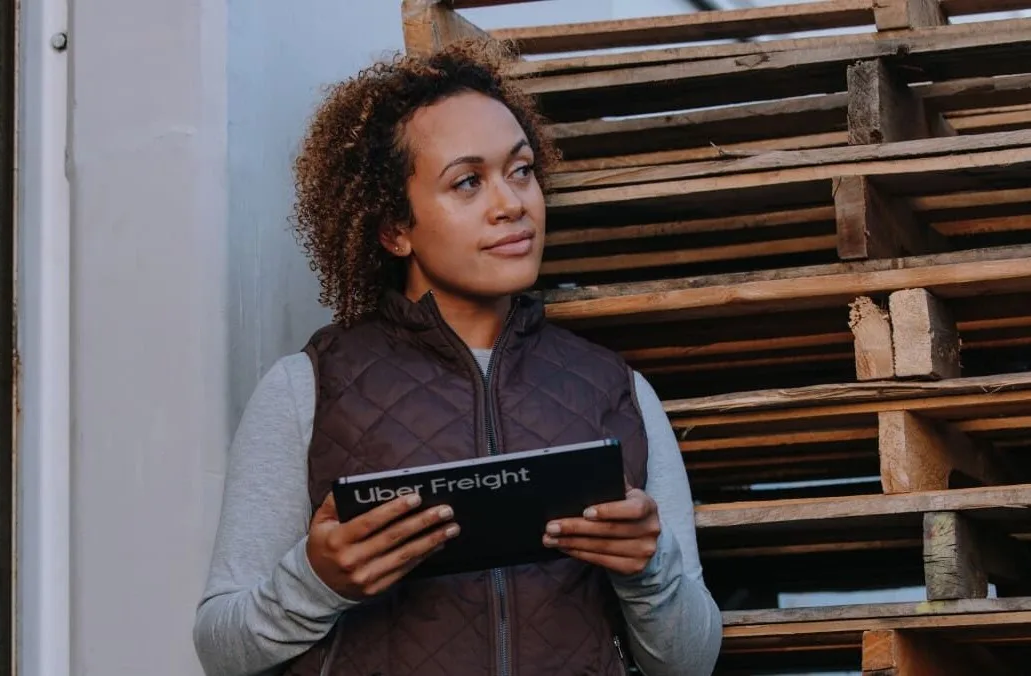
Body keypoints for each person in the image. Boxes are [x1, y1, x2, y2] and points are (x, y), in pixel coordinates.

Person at [193, 40, 722, 676]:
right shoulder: (307, 388)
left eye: (521, 170)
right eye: (467, 182)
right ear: (395, 228)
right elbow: (220, 649)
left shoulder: (617, 391)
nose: (511, 204)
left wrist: (649, 572)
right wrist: (317, 581)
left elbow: (692, 661)